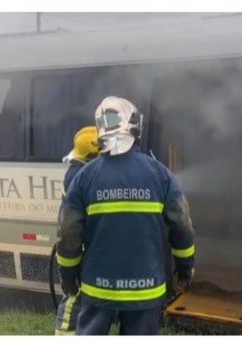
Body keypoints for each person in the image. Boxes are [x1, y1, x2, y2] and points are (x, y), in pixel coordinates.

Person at [56, 96, 196, 335]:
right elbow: (181, 224)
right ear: (135, 125)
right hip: (146, 290)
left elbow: (67, 232)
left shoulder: (84, 177)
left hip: (97, 289)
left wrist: (68, 274)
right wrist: (185, 266)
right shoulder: (159, 173)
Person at [55, 126, 100, 336]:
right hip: (79, 247)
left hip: (80, 245)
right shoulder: (79, 175)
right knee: (73, 297)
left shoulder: (79, 171)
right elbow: (70, 226)